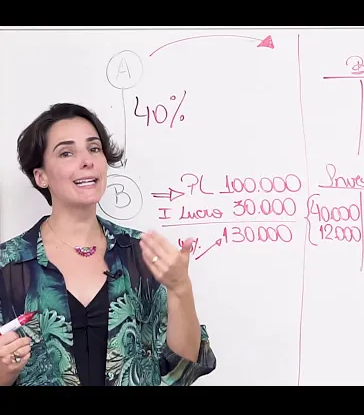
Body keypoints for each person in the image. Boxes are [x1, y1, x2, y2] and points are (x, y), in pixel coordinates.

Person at [0, 103, 216, 386]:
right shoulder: (8, 264)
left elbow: (182, 370)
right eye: (66, 153)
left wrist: (180, 289)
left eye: (94, 148)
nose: (87, 161)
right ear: (41, 176)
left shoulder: (141, 253)